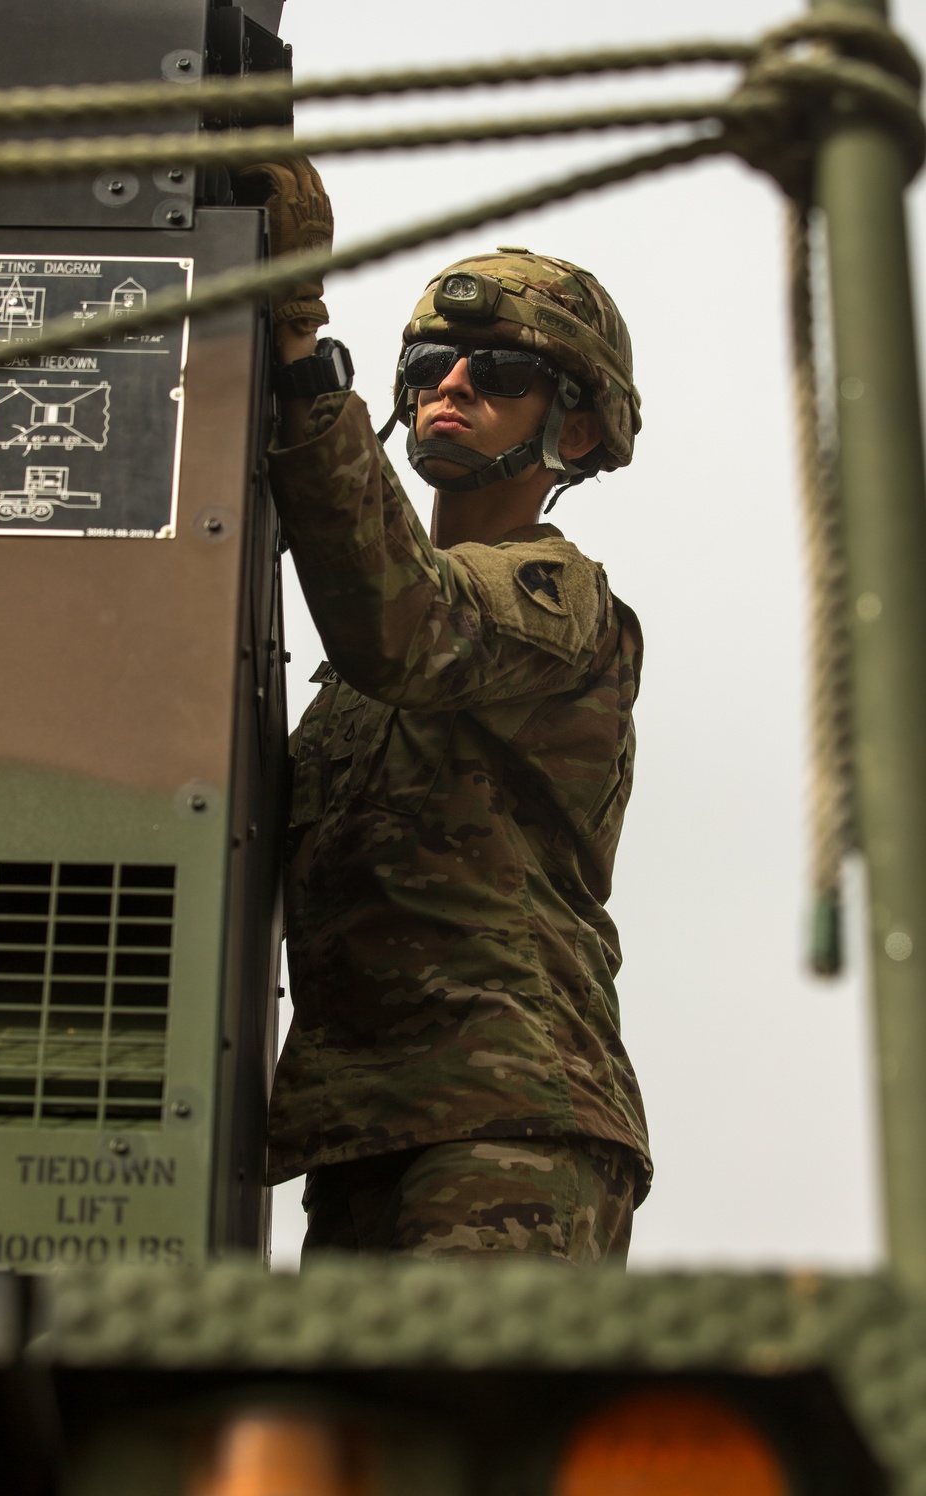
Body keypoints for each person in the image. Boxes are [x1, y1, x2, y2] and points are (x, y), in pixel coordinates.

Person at [253, 158, 652, 1263]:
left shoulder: (560, 602)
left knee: (460, 1431)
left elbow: (406, 622)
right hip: (364, 1128)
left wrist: (295, 344)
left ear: (575, 427)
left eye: (502, 371)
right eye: (432, 363)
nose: (452, 384)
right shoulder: (355, 686)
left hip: (512, 1121)